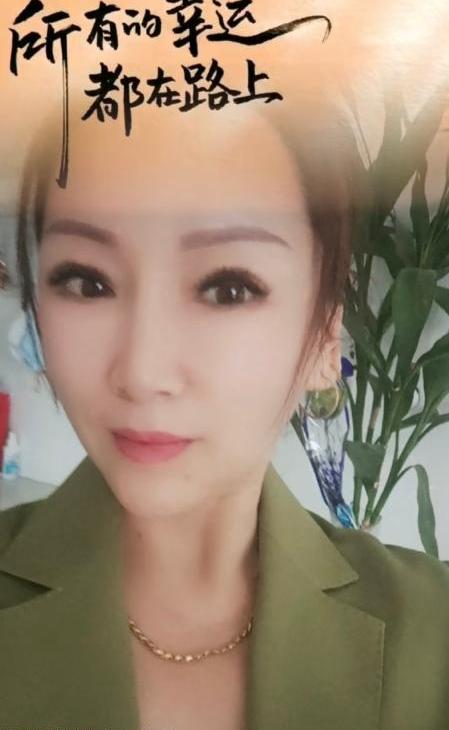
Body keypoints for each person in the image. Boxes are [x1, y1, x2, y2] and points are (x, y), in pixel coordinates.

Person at [1, 94, 449, 730]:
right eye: (86, 281)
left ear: (324, 337)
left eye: (227, 288)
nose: (143, 374)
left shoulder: (431, 638)